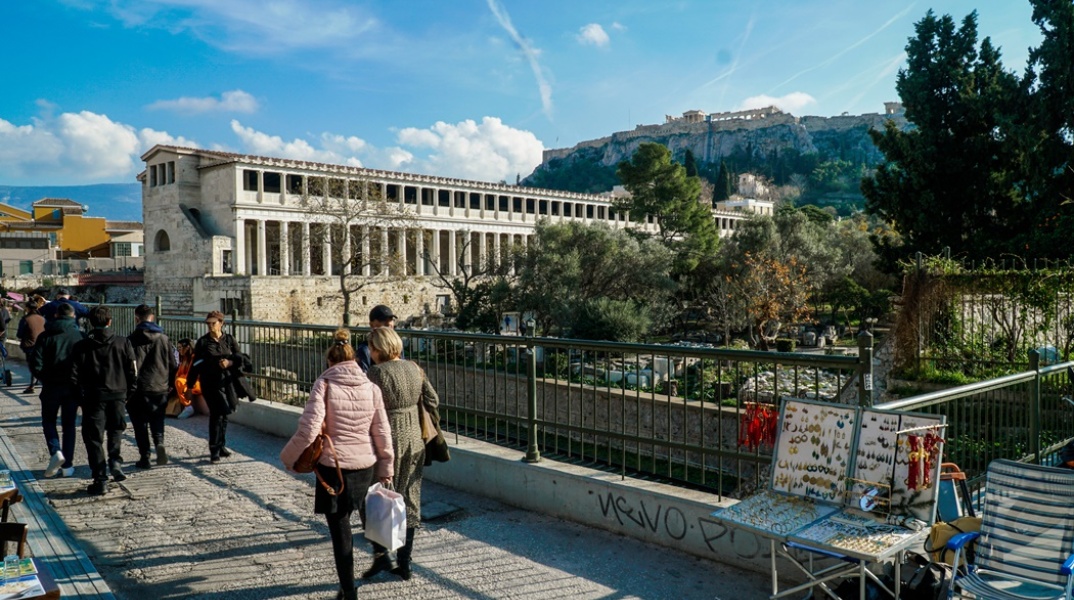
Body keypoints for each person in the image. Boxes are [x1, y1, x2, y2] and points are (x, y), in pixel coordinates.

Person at [279, 329, 394, 600]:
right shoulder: (372, 388)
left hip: (334, 467)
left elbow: (309, 429)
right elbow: (382, 431)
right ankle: (380, 558)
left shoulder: (324, 384)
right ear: (354, 360)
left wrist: (288, 457)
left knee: (341, 532)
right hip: (365, 465)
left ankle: (348, 589)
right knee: (365, 516)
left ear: (329, 361)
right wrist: (386, 467)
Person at [365, 326, 439, 580]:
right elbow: (433, 400)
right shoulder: (414, 368)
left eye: (371, 348)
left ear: (378, 349)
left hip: (387, 438)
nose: (370, 353)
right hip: (415, 439)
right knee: (410, 497)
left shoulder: (376, 372)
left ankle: (382, 556)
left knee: (380, 496)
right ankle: (405, 563)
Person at [71, 305, 137, 496]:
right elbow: (133, 372)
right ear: (110, 321)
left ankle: (100, 479)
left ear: (91, 322)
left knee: (93, 438)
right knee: (116, 430)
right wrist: (127, 394)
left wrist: (81, 399)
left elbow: (73, 376)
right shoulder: (123, 342)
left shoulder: (82, 346)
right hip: (118, 394)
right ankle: (115, 461)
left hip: (93, 397)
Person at [28, 302, 84, 478]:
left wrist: (45, 378)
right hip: (72, 387)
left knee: (48, 421)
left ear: (56, 316)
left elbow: (35, 363)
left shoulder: (45, 336)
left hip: (51, 387)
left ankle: (55, 451)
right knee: (69, 426)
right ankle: (67, 466)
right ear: (73, 316)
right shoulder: (80, 336)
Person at [186, 311, 242, 462]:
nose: (210, 326)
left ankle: (221, 445)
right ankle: (214, 449)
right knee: (217, 414)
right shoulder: (203, 342)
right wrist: (190, 386)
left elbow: (239, 359)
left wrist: (229, 363)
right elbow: (195, 365)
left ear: (221, 323)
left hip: (226, 383)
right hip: (210, 383)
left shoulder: (229, 340)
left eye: (213, 323)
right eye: (208, 323)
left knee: (224, 414)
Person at [128, 304, 178, 469]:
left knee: (140, 424)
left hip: (138, 389)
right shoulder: (163, 339)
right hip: (159, 387)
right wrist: (170, 384)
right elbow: (173, 364)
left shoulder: (131, 339)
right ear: (153, 318)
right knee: (157, 419)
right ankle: (159, 442)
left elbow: (127, 366)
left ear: (136, 319)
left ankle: (145, 457)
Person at [16, 295, 46, 394]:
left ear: (28, 308)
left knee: (32, 365)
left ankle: (32, 385)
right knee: (39, 364)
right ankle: (36, 382)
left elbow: (19, 334)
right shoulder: (42, 319)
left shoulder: (25, 319)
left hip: (29, 345)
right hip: (42, 345)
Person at [356, 304, 396, 373]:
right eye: (383, 320)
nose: (389, 323)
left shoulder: (396, 346)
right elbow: (364, 376)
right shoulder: (365, 350)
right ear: (371, 324)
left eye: (391, 319)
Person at [173, 339, 208, 418]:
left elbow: (192, 375)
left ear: (187, 347)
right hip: (187, 382)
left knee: (179, 381)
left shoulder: (195, 357)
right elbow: (178, 373)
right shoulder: (184, 358)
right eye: (178, 348)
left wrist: (181, 377)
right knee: (177, 381)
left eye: (180, 347)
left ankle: (188, 406)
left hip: (197, 383)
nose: (178, 350)